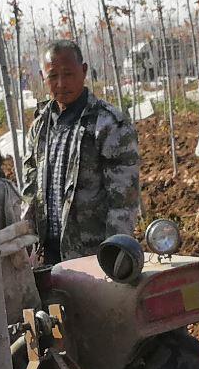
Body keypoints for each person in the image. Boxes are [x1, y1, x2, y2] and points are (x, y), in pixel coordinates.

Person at [22, 38, 141, 263]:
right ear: (42, 78)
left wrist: (114, 254)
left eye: (68, 74)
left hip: (91, 254)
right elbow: (30, 189)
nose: (61, 84)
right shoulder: (40, 125)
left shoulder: (108, 124)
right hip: (47, 253)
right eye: (53, 76)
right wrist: (27, 240)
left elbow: (123, 201)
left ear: (84, 71)